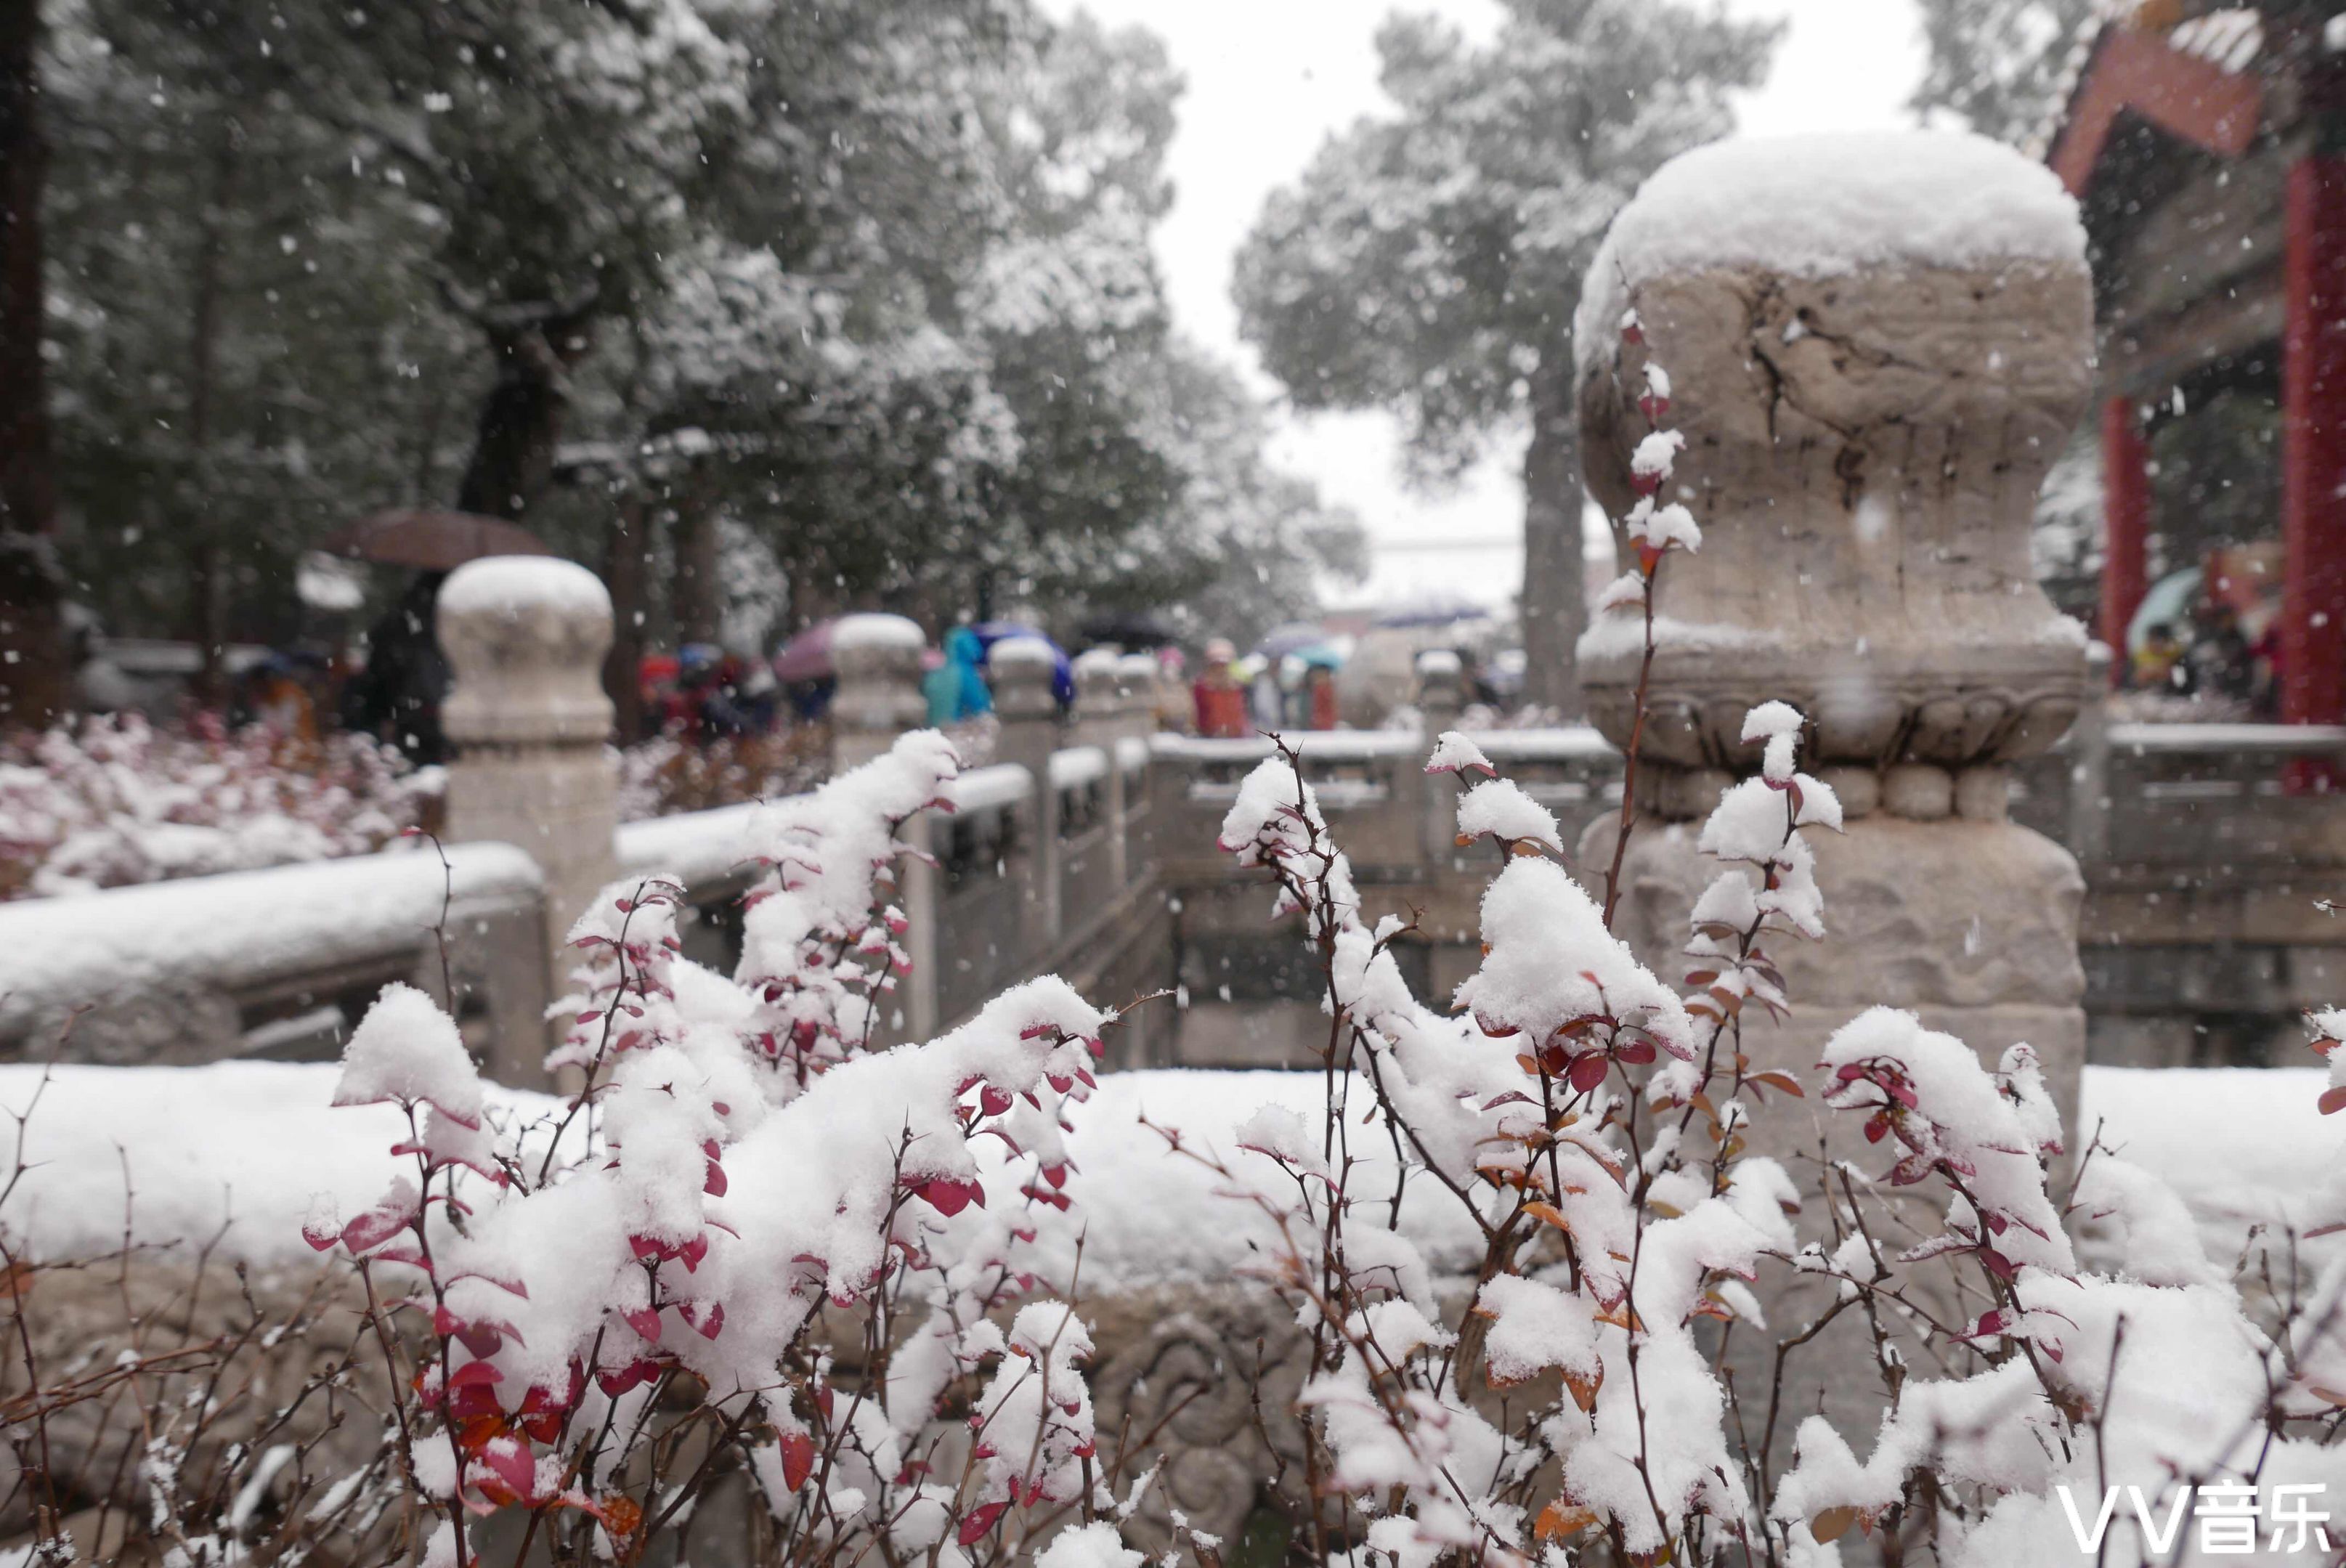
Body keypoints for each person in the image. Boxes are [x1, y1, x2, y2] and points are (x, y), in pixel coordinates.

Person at [341, 571, 450, 763]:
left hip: (408, 717)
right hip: (442, 718)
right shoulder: (457, 622)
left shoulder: (402, 617)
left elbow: (378, 672)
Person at [925, 627, 994, 725]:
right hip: (960, 731)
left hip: (936, 732)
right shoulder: (966, 674)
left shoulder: (935, 675)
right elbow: (980, 707)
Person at [1191, 638, 1248, 738]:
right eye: (1217, 665)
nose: (1220, 670)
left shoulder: (1236, 688)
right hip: (1208, 738)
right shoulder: (1201, 688)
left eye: (1224, 665)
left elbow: (1240, 714)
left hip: (1235, 739)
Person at [2132, 622, 2185, 691]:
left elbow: (2182, 682)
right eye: (2152, 640)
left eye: (2158, 641)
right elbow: (2133, 681)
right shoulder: (2140, 655)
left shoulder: (2177, 655)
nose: (2155, 645)